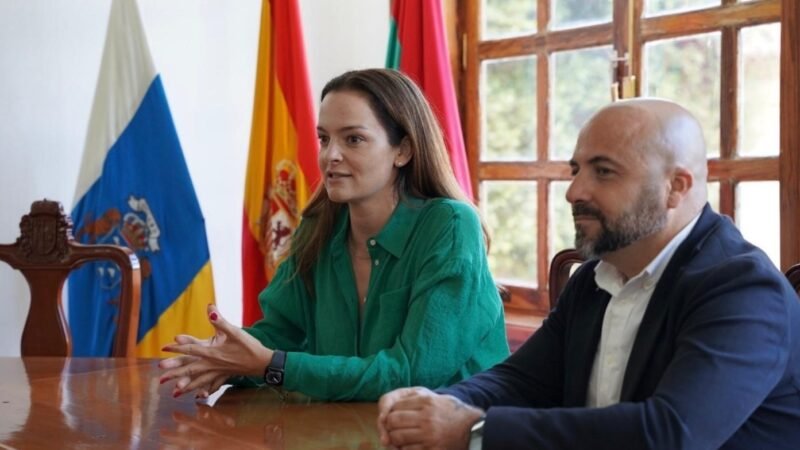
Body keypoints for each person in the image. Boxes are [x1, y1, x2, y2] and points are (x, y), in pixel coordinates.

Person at [377, 98, 800, 449]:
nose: (574, 191)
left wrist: (474, 432)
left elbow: (670, 433)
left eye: (604, 171)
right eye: (576, 169)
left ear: (677, 187)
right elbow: (523, 379)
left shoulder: (743, 290)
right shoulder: (596, 277)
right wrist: (437, 404)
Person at [158, 68, 509, 401]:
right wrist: (220, 358)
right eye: (324, 138)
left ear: (403, 150)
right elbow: (281, 334)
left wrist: (272, 366)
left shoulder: (450, 224)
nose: (330, 156)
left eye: (353, 139)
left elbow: (412, 373)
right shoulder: (320, 224)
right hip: (349, 431)